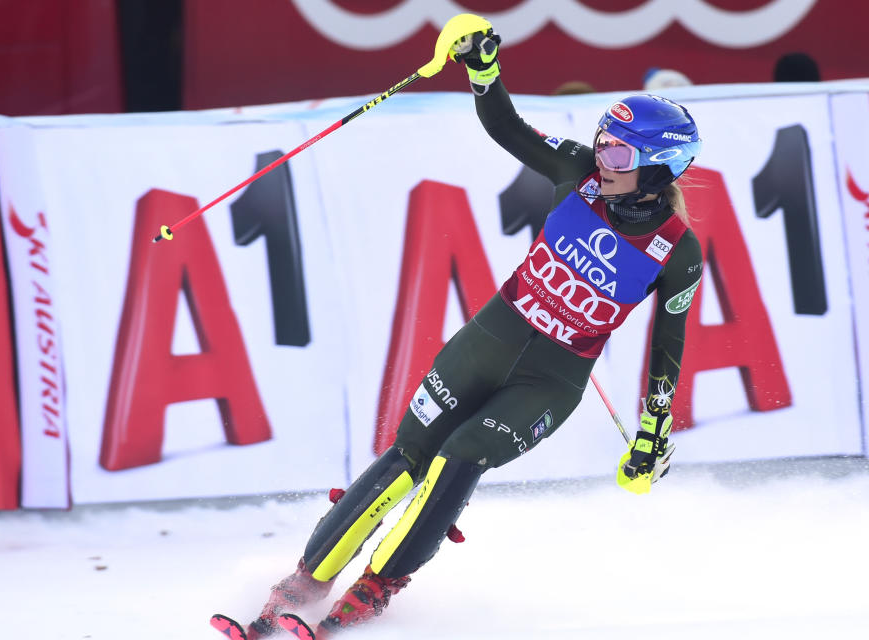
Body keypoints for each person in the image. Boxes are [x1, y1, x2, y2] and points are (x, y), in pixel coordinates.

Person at [233, 22, 704, 640]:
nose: (603, 159)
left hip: (550, 379)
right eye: (603, 142)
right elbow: (506, 127)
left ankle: (377, 589)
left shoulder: (678, 250)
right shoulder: (578, 171)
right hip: (490, 339)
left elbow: (667, 350)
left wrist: (653, 434)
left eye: (618, 153)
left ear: (658, 168)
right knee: (407, 456)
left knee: (461, 455)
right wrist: (484, 69)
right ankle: (301, 585)